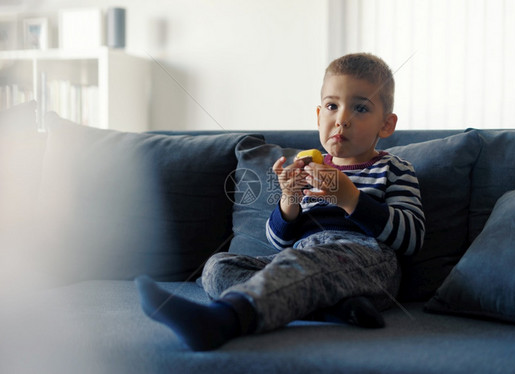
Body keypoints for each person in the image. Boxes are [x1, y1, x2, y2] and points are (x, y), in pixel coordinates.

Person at [135, 52, 426, 351]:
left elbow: (411, 238)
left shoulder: (393, 168)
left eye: (361, 108)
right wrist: (289, 197)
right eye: (332, 106)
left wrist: (350, 198)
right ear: (318, 116)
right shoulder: (309, 168)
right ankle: (333, 310)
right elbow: (279, 242)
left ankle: (225, 319)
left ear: (386, 125)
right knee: (218, 266)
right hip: (302, 256)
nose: (342, 120)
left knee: (300, 263)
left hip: (369, 263)